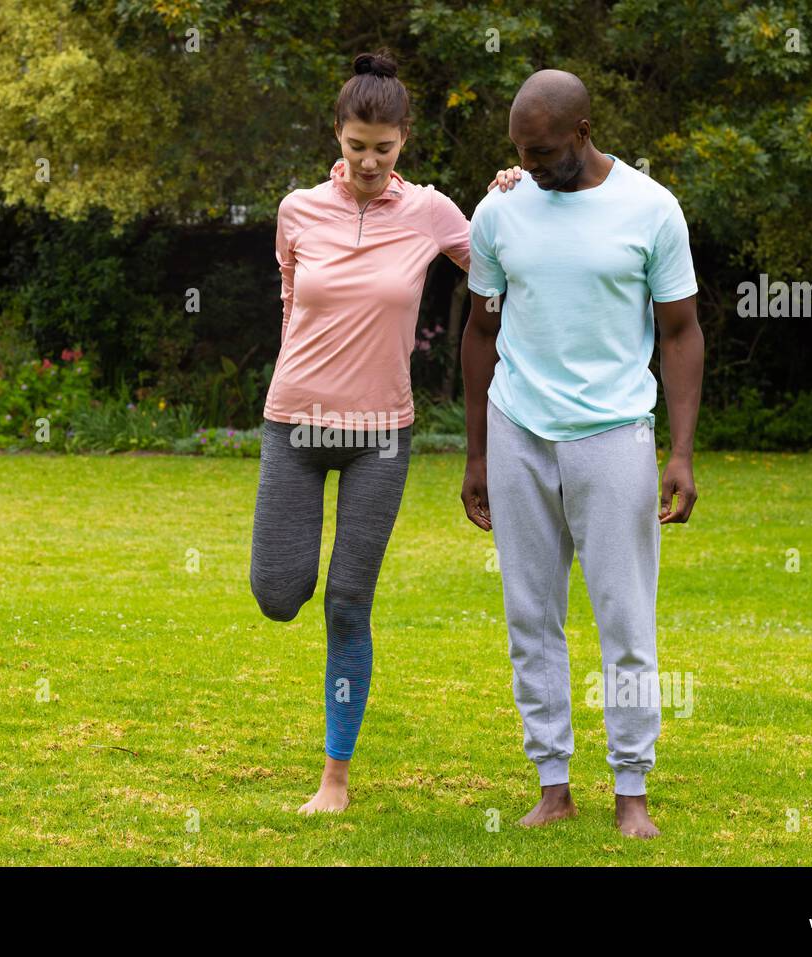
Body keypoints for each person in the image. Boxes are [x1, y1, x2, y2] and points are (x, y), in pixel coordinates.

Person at [249, 50, 517, 815]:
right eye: (356, 144)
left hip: (380, 436)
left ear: (404, 141)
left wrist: (508, 199)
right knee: (278, 593)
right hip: (294, 423)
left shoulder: (431, 212)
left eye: (384, 148)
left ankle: (335, 776)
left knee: (346, 602)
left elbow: (496, 267)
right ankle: (288, 595)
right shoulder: (297, 209)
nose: (368, 161)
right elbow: (290, 300)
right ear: (337, 133)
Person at [460, 69, 704, 838]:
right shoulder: (499, 210)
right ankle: (552, 782)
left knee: (624, 619)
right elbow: (479, 331)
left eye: (542, 152)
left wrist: (682, 450)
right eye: (520, 154)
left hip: (614, 436)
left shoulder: (651, 209)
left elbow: (681, 331)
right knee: (529, 614)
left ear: (583, 133)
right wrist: (474, 455)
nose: (529, 166)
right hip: (518, 430)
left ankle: (632, 788)